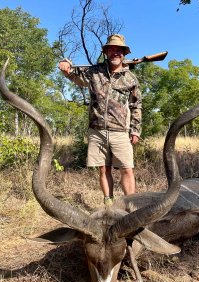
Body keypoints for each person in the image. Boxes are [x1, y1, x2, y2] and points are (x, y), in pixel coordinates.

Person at [58, 34, 142, 205]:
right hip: (97, 130)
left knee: (127, 169)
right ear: (106, 52)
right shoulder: (94, 72)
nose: (115, 53)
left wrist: (135, 130)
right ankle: (108, 204)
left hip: (121, 131)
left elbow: (136, 106)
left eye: (119, 50)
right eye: (112, 49)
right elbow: (73, 74)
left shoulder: (130, 78)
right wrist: (65, 64)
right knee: (103, 169)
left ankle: (131, 207)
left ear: (124, 53)